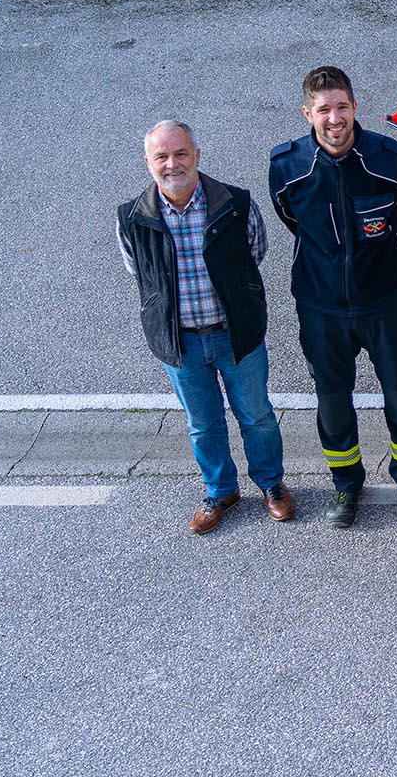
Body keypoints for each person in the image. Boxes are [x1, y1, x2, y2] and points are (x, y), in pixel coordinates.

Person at [269, 66, 397, 529]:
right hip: (321, 310)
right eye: (324, 109)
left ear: (355, 107)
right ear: (308, 114)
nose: (334, 118)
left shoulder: (391, 160)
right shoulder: (286, 167)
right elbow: (289, 217)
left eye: (342, 107)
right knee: (332, 400)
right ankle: (345, 483)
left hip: (387, 304)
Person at [118, 121, 293, 534]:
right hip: (181, 344)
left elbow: (256, 254)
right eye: (161, 156)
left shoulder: (235, 204)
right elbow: (142, 276)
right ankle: (221, 491)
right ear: (148, 163)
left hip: (236, 335)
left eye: (180, 153)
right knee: (203, 423)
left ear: (197, 155)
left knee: (257, 417)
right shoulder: (131, 219)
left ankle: (271, 485)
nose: (172, 164)